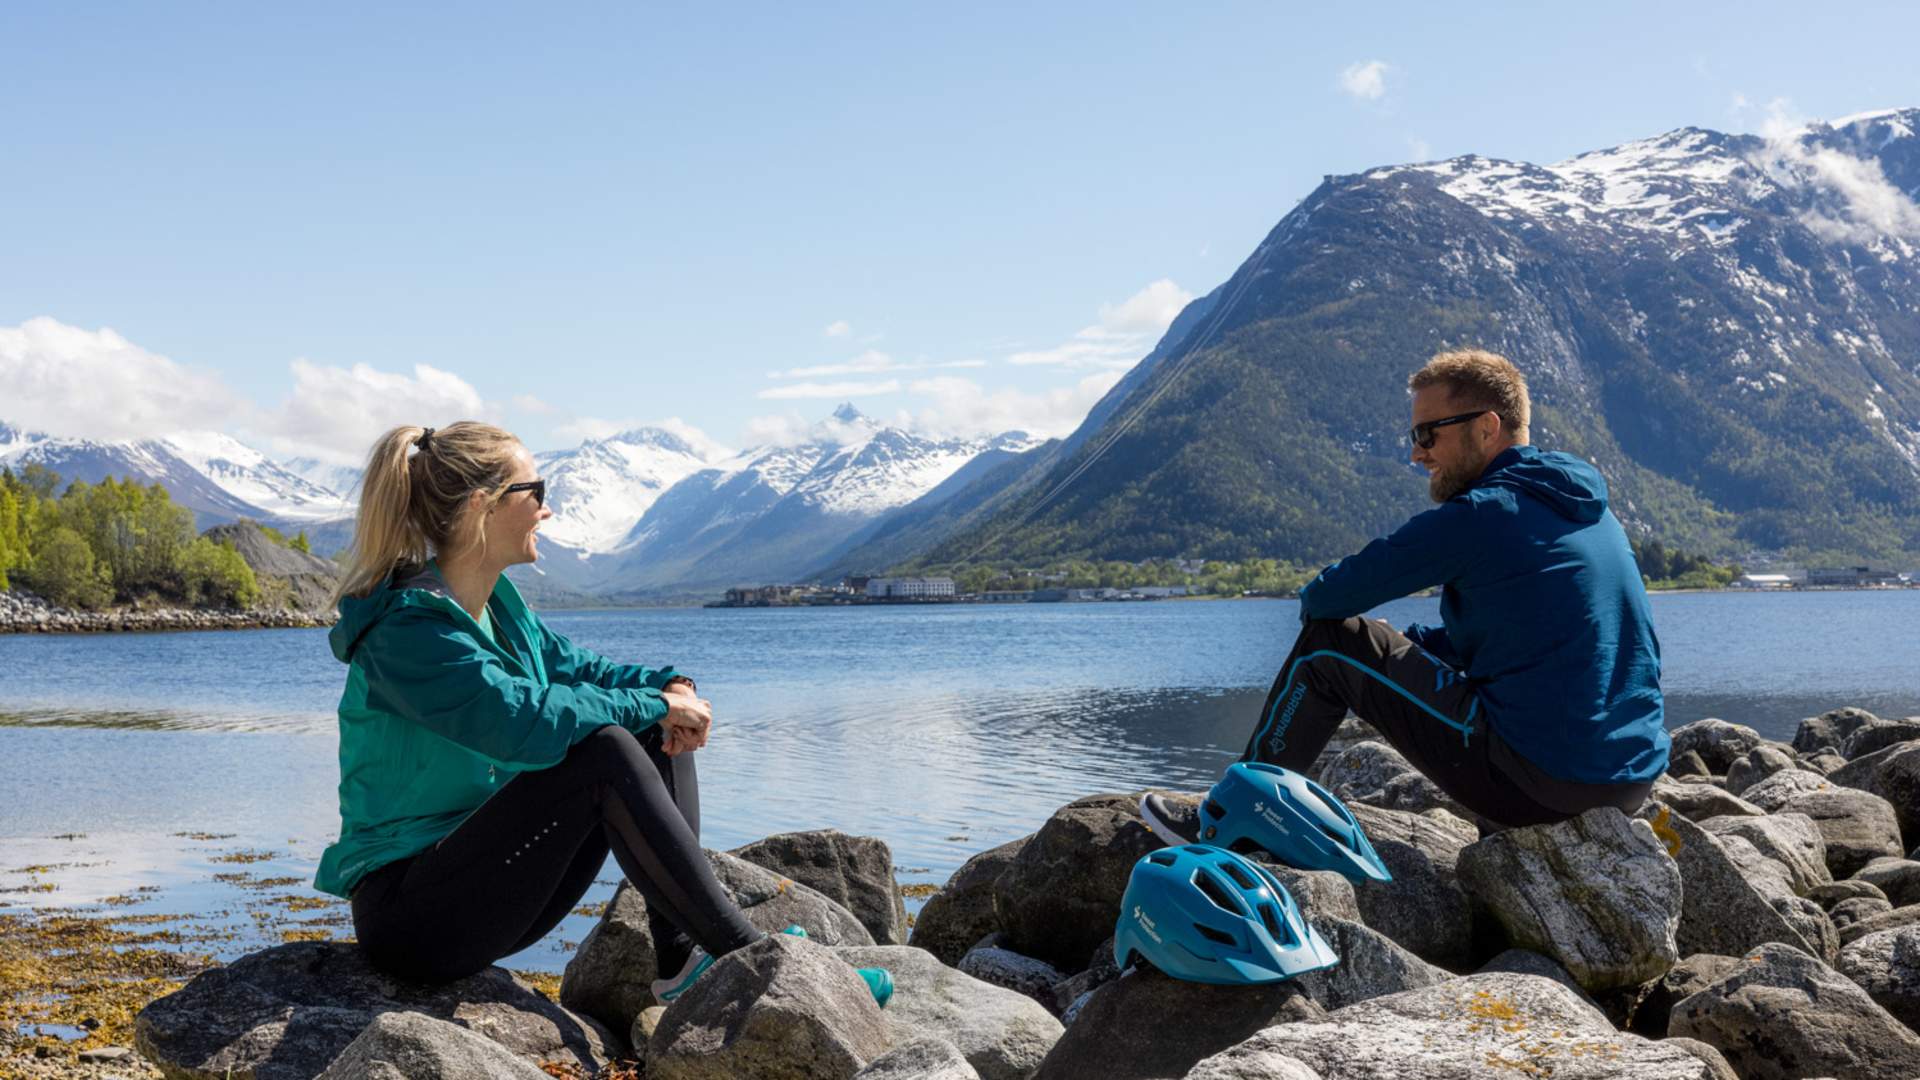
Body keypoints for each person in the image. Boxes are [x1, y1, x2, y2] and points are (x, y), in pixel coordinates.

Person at [312, 421, 889, 1005]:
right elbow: (521, 720)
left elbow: (587, 672)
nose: (546, 508)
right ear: (483, 506)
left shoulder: (502, 611)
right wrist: (659, 705)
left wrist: (671, 688)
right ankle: (752, 962)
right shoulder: (408, 632)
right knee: (609, 745)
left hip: (482, 885)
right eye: (534, 491)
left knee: (639, 729)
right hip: (412, 915)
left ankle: (680, 956)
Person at [1143, 350, 1667, 838]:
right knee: (1371, 645)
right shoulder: (1585, 508)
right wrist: (1410, 643)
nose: (1417, 453)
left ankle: (1233, 820)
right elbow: (1519, 637)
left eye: (1428, 433)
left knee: (1332, 643)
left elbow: (1325, 599)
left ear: (1487, 428)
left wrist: (1382, 645)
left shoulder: (1485, 513)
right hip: (1627, 782)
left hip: (1539, 784)